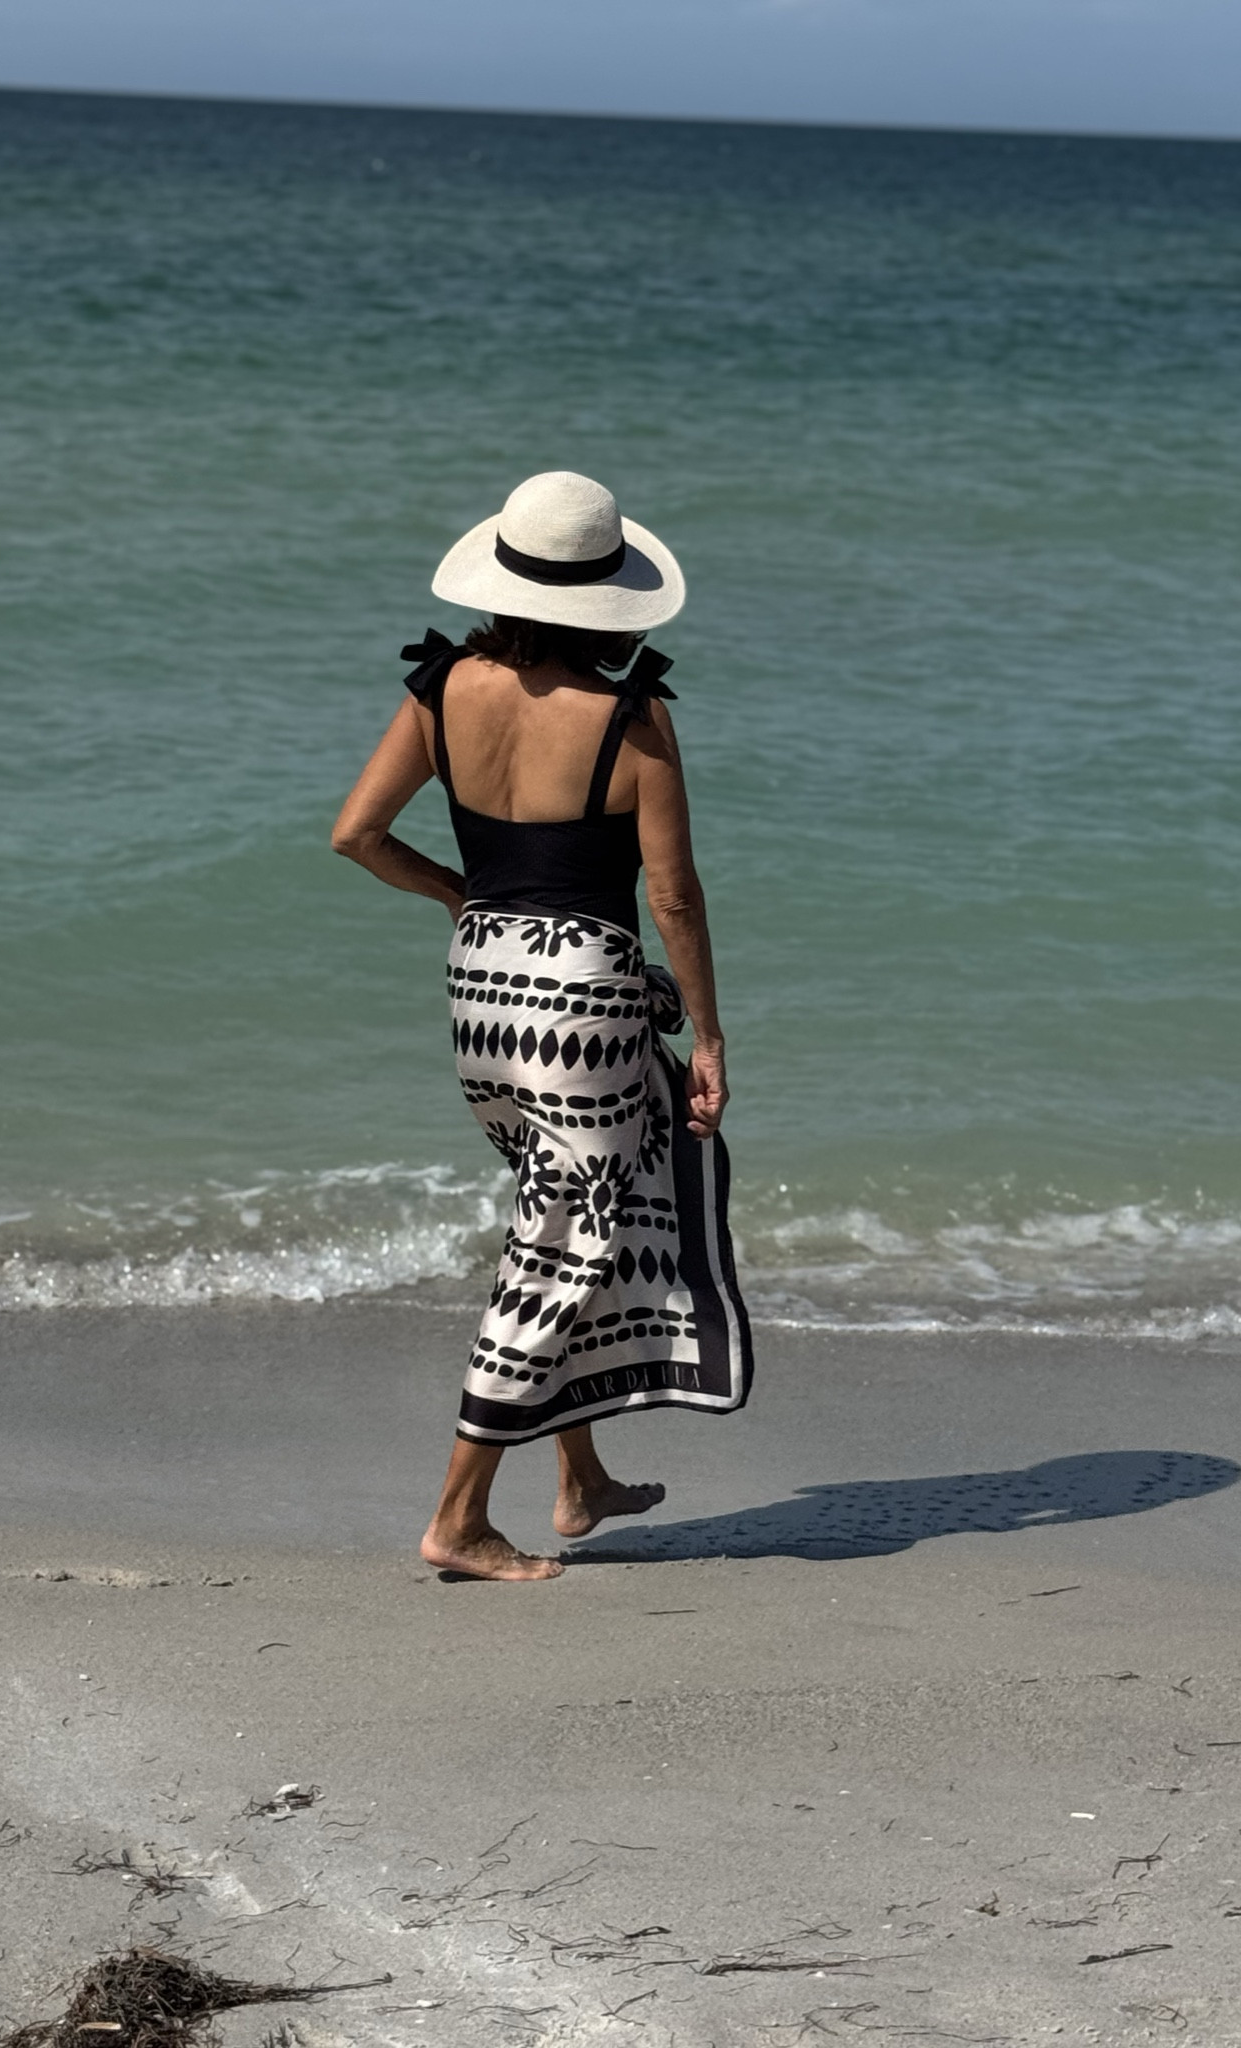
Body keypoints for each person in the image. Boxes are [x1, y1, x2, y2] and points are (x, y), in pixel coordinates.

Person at [333, 472, 752, 1581]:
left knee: (560, 1218)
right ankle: (458, 1518)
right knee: (564, 1243)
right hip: (587, 1003)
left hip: (482, 998)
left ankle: (581, 1475)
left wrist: (461, 895)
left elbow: (357, 835)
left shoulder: (443, 687)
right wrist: (707, 1035)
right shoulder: (629, 718)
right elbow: (672, 898)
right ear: (609, 595)